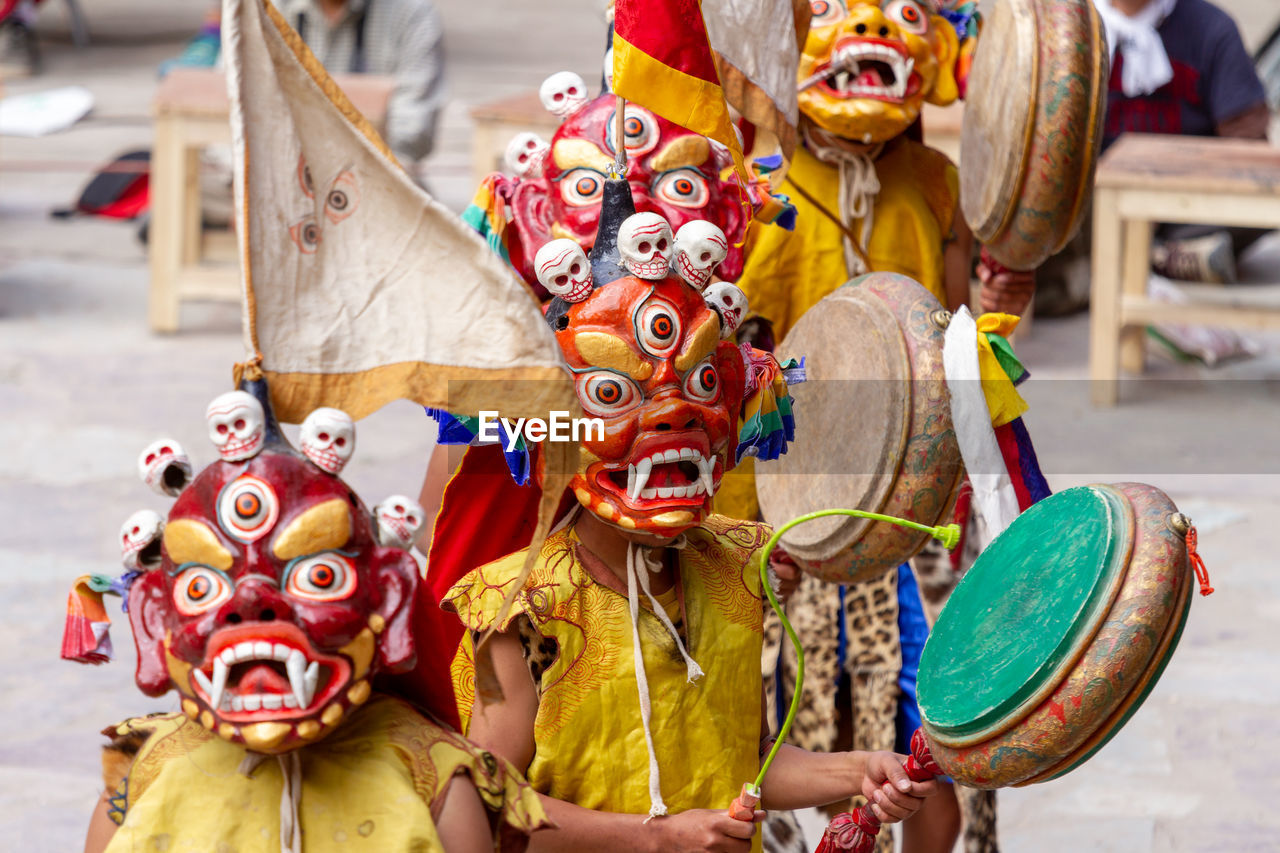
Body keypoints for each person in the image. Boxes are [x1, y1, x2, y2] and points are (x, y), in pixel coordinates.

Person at [432, 189, 940, 853]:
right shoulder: (517, 608)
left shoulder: (735, 567)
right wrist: (656, 837)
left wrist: (862, 768)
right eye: (614, 393)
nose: (671, 417)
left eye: (699, 384)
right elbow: (491, 805)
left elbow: (744, 759)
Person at [74, 383, 548, 853]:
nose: (252, 604)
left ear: (388, 602)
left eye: (319, 577)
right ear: (155, 622)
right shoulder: (141, 775)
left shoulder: (435, 778)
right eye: (203, 587)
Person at [1020, 0, 1272, 316]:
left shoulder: (1212, 27)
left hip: (1186, 205)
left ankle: (1128, 265)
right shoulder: (1060, 30)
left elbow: (1249, 145)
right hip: (1093, 206)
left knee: (1259, 199)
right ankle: (1164, 262)